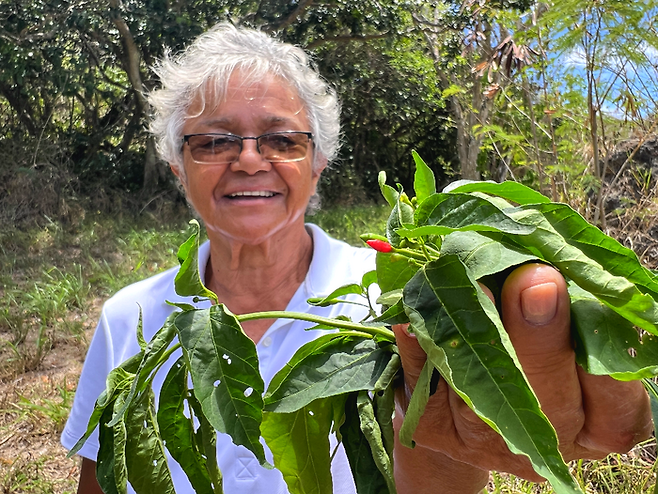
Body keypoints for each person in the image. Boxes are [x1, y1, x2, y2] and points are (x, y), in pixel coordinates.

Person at [61, 22, 652, 494]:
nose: (248, 160)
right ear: (176, 165)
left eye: (282, 139)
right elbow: (105, 475)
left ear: (318, 161)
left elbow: (429, 477)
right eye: (214, 141)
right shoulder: (127, 317)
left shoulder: (390, 295)